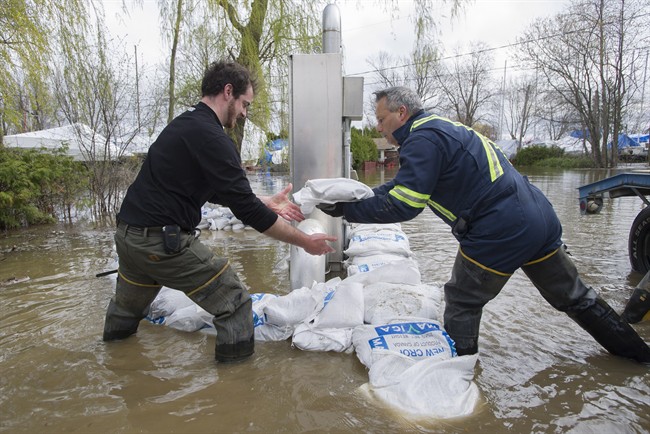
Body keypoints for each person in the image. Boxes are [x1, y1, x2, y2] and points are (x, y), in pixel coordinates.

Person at [319, 86, 650, 363]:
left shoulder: (421, 139)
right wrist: (358, 196)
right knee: (575, 297)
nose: (379, 128)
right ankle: (638, 358)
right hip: (537, 219)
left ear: (401, 113)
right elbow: (398, 188)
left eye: (381, 119)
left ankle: (461, 380)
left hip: (500, 229)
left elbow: (404, 204)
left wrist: (347, 211)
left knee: (462, 302)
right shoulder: (441, 129)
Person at [103, 60, 336, 363]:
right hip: (161, 245)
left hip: (129, 240)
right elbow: (249, 213)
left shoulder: (184, 125)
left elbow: (213, 190)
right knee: (235, 302)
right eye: (245, 104)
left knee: (125, 311)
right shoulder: (212, 137)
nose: (245, 113)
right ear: (228, 92)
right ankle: (235, 384)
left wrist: (264, 200)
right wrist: (305, 242)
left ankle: (112, 366)